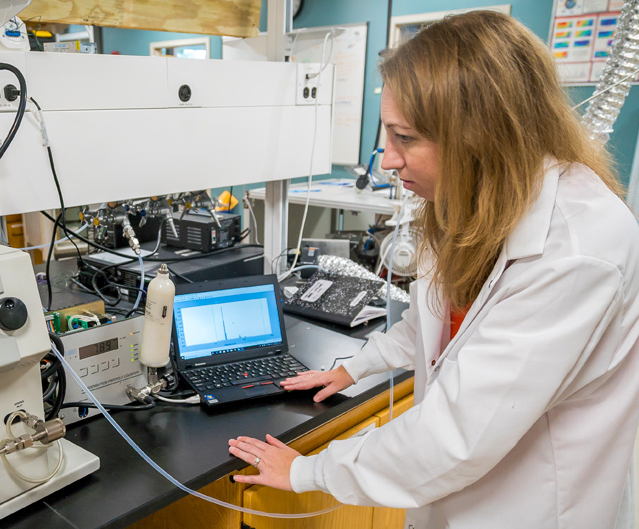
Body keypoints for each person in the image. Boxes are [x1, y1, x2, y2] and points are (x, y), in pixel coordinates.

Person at [228, 10, 639, 529]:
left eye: (405, 138)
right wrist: (356, 366)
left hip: (529, 507)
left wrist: (311, 472)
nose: (387, 163)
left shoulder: (577, 250)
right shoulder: (484, 200)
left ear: (479, 135)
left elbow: (457, 437)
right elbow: (440, 323)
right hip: (460, 495)